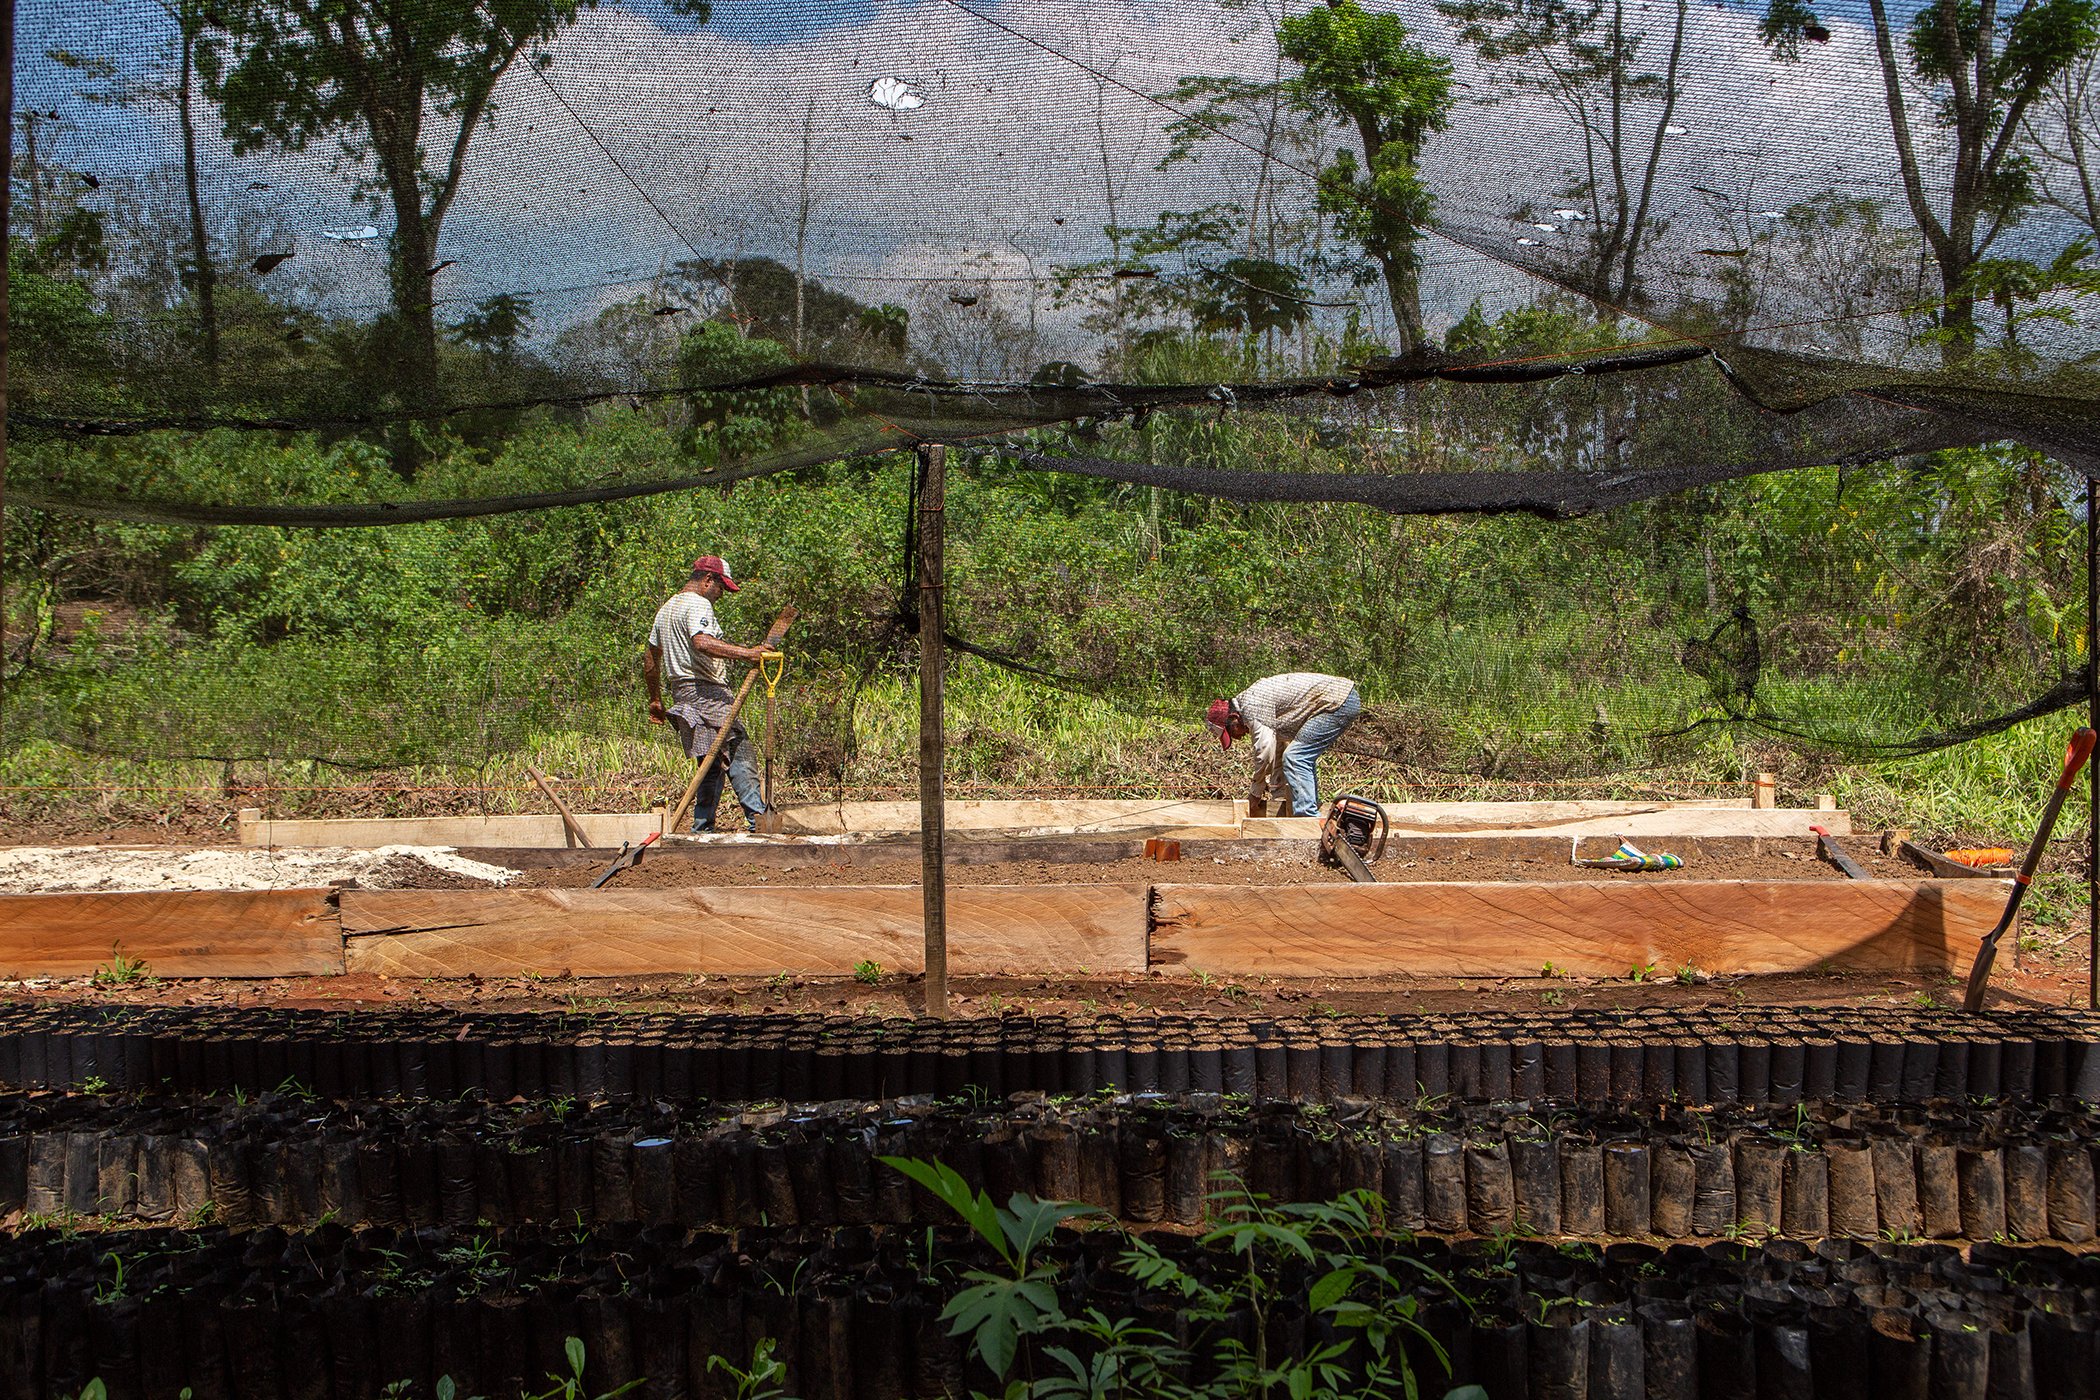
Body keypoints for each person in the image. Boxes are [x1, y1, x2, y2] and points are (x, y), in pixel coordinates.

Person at [644, 555, 776, 833]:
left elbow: (650, 659)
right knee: (738, 748)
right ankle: (759, 820)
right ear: (707, 580)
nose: (721, 595)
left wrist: (655, 699)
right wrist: (747, 654)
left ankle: (702, 828)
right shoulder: (697, 603)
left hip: (682, 693)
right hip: (707, 691)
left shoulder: (666, 609)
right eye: (721, 588)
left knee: (710, 761)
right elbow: (702, 642)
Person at [1206, 673, 1361, 818]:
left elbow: (1265, 751)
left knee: (1296, 757)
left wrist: (1255, 792)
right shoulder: (1256, 710)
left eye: (1231, 733)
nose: (1238, 738)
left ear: (1234, 718)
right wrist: (1278, 795)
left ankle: (1307, 819)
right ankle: (1309, 811)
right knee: (1298, 755)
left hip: (1338, 701)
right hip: (1339, 699)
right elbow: (1278, 750)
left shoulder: (1252, 705)